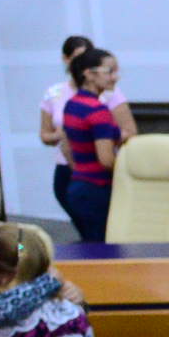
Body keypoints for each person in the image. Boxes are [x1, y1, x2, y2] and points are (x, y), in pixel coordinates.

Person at [55, 44, 125, 242]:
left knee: (90, 246)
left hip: (78, 185)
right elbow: (106, 160)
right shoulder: (98, 110)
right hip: (98, 189)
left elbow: (66, 147)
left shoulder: (72, 104)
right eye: (110, 71)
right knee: (104, 249)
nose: (115, 77)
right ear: (89, 74)